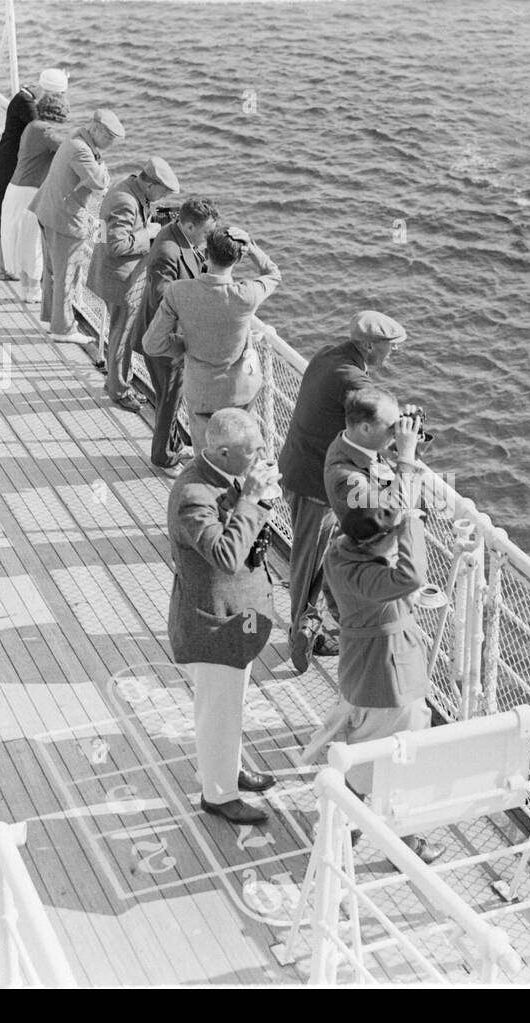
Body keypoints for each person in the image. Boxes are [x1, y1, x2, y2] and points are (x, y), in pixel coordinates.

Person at [301, 500, 445, 864]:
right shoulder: (369, 576)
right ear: (374, 543)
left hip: (360, 666)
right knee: (398, 761)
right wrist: (411, 520)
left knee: (360, 750)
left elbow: (334, 603)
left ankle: (339, 827)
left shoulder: (338, 554)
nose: (397, 539)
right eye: (392, 534)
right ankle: (401, 842)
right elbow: (411, 577)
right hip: (390, 680)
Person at [277, 311, 407, 675]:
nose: (392, 354)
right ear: (368, 345)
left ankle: (313, 621)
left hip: (299, 466)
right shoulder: (354, 380)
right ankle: (301, 632)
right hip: (315, 485)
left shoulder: (326, 355)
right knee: (309, 560)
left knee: (319, 554)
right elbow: (374, 426)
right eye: (389, 347)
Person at [167, 408, 280, 825]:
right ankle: (218, 794)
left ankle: (228, 769)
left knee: (232, 705)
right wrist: (251, 499)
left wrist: (258, 496)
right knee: (218, 712)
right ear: (225, 452)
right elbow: (227, 556)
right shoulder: (193, 495)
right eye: (254, 452)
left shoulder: (227, 476)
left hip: (239, 619)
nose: (262, 456)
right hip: (213, 624)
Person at [141, 225, 279, 449]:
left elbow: (151, 343)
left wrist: (186, 345)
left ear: (206, 253)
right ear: (238, 259)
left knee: (205, 458)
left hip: (202, 391)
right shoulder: (246, 295)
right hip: (240, 393)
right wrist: (252, 249)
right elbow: (273, 274)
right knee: (242, 452)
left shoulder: (179, 291)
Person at [130, 196, 221, 471]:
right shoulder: (168, 252)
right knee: (170, 399)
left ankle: (173, 446)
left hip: (166, 337)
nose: (208, 238)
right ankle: (164, 455)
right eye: (206, 232)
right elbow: (163, 297)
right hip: (164, 340)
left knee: (170, 397)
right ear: (190, 227)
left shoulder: (178, 236)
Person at [87, 157, 180, 411]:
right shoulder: (126, 202)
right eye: (164, 191)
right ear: (150, 185)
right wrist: (148, 234)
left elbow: (103, 231)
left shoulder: (126, 188)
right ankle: (117, 388)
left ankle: (117, 381)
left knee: (120, 334)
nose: (164, 197)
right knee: (122, 336)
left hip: (109, 272)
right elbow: (117, 245)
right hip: (121, 281)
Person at [0, 68, 68, 278]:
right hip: (10, 166)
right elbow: (47, 133)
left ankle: (6, 265)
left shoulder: (26, 96)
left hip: (12, 163)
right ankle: (8, 265)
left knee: (2, 217)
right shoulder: (27, 104)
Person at [31, 109, 124, 345]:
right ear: (97, 130)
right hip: (65, 220)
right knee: (66, 274)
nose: (111, 145)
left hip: (49, 211)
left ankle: (52, 318)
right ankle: (63, 328)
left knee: (53, 271)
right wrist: (102, 165)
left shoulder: (75, 138)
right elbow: (100, 182)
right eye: (110, 138)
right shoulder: (82, 150)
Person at [0, 91, 69, 302]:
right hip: (30, 193)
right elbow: (69, 150)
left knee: (20, 241)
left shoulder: (32, 127)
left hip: (16, 189)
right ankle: (34, 293)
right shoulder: (46, 132)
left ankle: (28, 290)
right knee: (33, 243)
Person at [324, 388, 422, 524]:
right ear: (365, 428)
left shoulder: (355, 442)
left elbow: (399, 452)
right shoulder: (345, 477)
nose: (396, 432)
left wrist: (414, 431)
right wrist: (406, 455)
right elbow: (394, 513)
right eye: (392, 427)